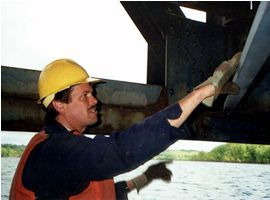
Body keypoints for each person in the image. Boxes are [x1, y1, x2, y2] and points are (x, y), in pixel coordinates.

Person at [10, 53, 240, 200]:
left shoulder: (66, 150)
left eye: (92, 94)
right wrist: (199, 95)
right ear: (59, 104)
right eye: (85, 96)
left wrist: (145, 179)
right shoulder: (53, 151)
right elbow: (120, 152)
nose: (95, 100)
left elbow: (96, 190)